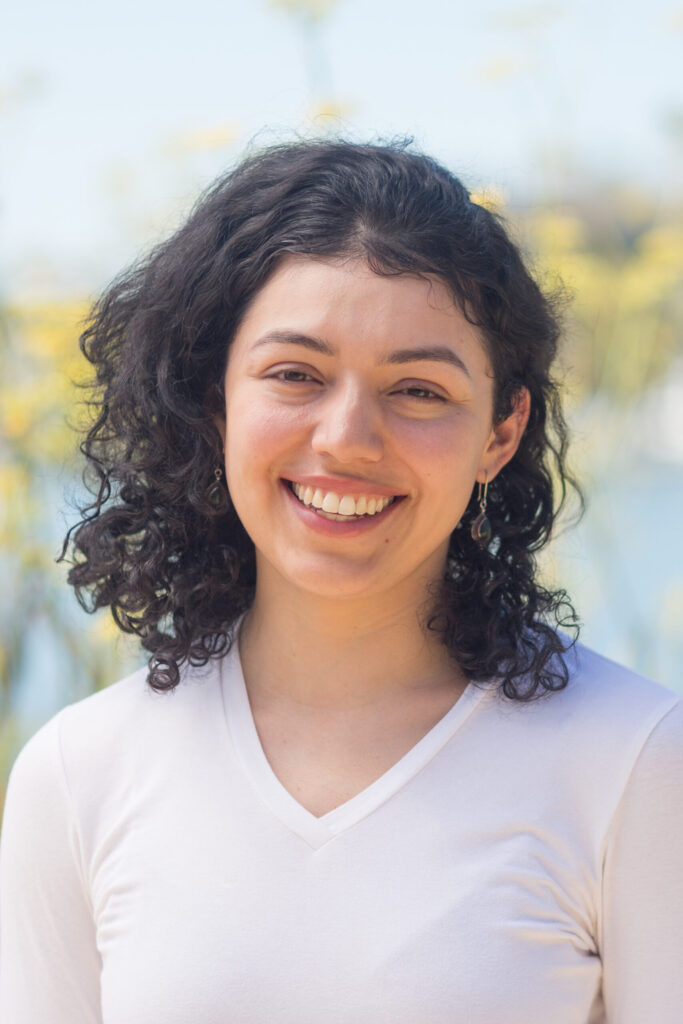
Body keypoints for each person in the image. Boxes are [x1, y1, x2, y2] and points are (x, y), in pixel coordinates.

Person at [1, 139, 682, 1024]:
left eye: (419, 391)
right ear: (215, 399)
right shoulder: (78, 772)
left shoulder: (633, 761)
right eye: (295, 375)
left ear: (500, 432)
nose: (347, 437)